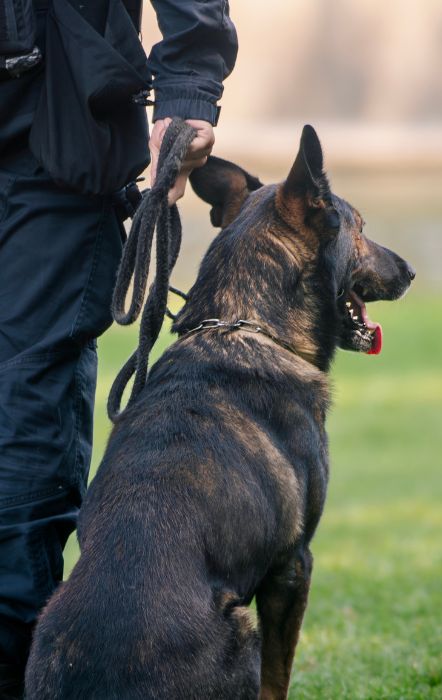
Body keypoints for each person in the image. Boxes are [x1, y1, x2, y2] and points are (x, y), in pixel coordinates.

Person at [0, 0, 237, 695]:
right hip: (59, 122)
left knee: (25, 408)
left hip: (57, 131)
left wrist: (189, 89)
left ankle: (16, 660)